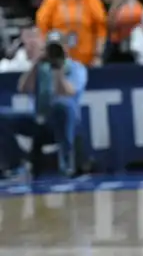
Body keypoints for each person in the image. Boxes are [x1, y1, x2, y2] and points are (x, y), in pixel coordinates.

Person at [0, 32, 88, 177]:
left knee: (63, 106)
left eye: (57, 48)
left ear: (65, 48)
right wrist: (36, 63)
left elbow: (68, 92)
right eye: (50, 49)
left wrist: (58, 69)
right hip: (40, 119)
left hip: (66, 123)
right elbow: (23, 88)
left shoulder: (76, 68)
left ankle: (66, 166)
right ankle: (16, 164)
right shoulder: (41, 67)